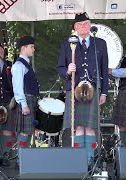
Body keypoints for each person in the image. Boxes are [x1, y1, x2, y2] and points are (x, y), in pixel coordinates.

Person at [57, 12, 108, 167]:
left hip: (93, 89)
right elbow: (60, 68)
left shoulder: (99, 43)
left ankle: (90, 160)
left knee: (90, 127)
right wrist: (67, 70)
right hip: (74, 89)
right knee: (78, 127)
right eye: (80, 24)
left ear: (90, 24)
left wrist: (104, 92)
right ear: (75, 28)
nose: (84, 26)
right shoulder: (67, 45)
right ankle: (80, 162)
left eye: (86, 23)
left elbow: (104, 70)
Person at [11, 36, 39, 166]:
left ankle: (24, 159)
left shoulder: (26, 63)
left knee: (28, 132)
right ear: (24, 48)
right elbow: (17, 87)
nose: (33, 49)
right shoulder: (18, 65)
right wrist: (23, 104)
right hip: (25, 100)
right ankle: (20, 160)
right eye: (31, 47)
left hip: (30, 99)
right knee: (24, 132)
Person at [109, 63, 126, 146]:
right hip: (122, 89)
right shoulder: (121, 57)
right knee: (121, 124)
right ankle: (124, 150)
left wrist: (112, 71)